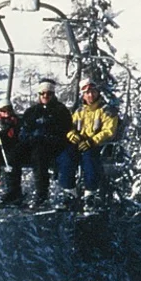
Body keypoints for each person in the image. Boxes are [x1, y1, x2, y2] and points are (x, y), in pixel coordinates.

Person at [58, 78, 118, 210]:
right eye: (87, 93)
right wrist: (71, 135)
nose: (90, 95)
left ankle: (90, 195)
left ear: (97, 92)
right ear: (83, 95)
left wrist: (92, 141)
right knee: (65, 157)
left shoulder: (106, 110)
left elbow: (109, 131)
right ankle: (69, 192)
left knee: (89, 159)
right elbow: (70, 126)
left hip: (97, 145)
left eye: (93, 92)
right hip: (80, 143)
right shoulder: (80, 111)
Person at [18, 79, 74, 209]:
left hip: (51, 145)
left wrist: (47, 137)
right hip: (33, 143)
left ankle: (42, 195)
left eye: (48, 94)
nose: (45, 96)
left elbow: (64, 130)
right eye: (42, 93)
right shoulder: (32, 111)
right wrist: (29, 137)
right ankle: (13, 192)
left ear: (53, 94)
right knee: (13, 154)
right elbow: (24, 129)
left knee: (39, 156)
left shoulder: (60, 110)